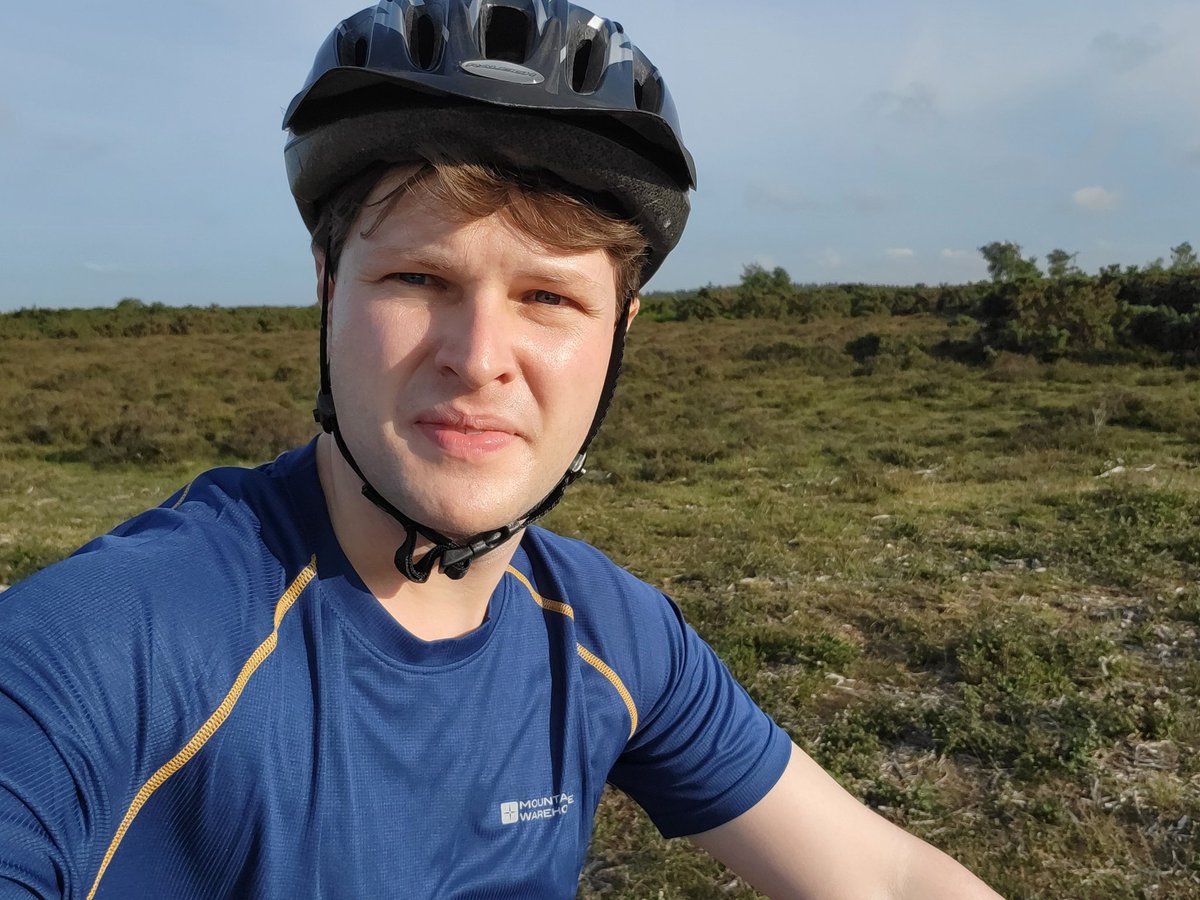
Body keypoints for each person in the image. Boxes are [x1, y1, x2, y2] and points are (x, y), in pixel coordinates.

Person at [0, 3, 1002, 898]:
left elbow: (885, 874)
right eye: (417, 279)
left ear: (621, 331)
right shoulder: (106, 646)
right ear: (326, 286)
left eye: (549, 298)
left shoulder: (610, 634)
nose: (480, 360)